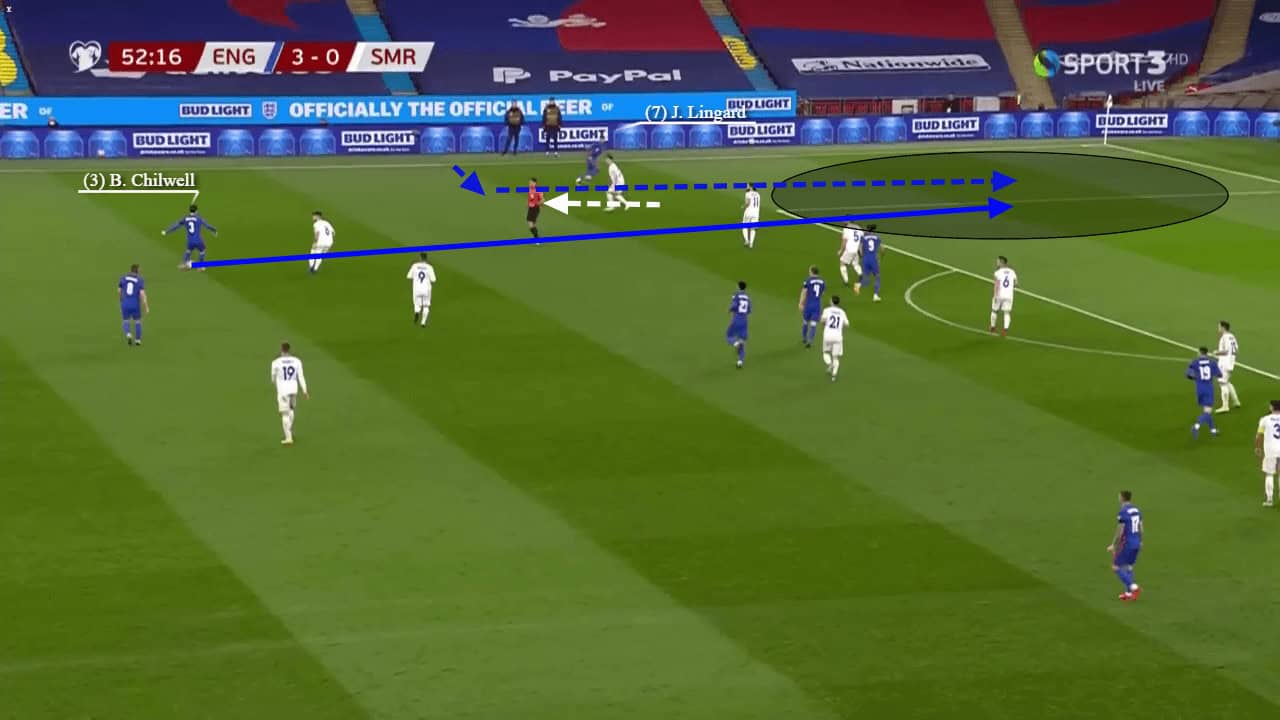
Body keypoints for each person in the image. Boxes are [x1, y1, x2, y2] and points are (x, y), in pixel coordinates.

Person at [1107, 490, 1143, 601]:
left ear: (1122, 498)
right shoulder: (1137, 510)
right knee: (1128, 567)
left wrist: (1113, 545)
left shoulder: (1123, 512)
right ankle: (1128, 594)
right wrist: (1140, 541)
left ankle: (1134, 588)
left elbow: (1120, 530)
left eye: (1119, 496)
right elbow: (1141, 528)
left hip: (1127, 543)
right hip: (1136, 542)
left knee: (1116, 567)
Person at [270, 342, 309, 445]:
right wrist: (305, 390)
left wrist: (276, 383)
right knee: (291, 409)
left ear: (281, 349)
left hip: (283, 391)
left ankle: (288, 438)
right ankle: (289, 430)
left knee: (284, 414)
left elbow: (273, 378)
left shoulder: (276, 362)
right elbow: (301, 376)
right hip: (293, 390)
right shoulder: (297, 361)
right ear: (289, 349)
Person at [162, 204, 217, 271]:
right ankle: (200, 266)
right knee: (202, 251)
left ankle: (183, 263)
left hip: (190, 241)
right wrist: (214, 230)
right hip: (198, 240)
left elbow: (176, 226)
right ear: (196, 211)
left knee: (188, 250)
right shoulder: (199, 218)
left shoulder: (185, 218)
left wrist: (166, 231)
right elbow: (207, 226)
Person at [1186, 347, 1221, 439]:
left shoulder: (1194, 362)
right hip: (1208, 389)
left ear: (1200, 353)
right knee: (1207, 412)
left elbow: (1188, 375)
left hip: (1199, 389)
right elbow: (1219, 374)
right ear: (1207, 353)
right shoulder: (1212, 362)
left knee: (1206, 411)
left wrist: (1196, 378)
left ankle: (1213, 430)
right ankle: (1196, 426)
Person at [1255, 400, 1280, 507]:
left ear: (1272, 408)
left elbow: (1259, 435)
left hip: (1270, 450)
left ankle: (1269, 500)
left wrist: (1257, 447)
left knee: (1269, 474)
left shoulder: (1265, 419)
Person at [117, 263, 149, 346]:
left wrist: (121, 300)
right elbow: (142, 294)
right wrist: (145, 306)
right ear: (137, 271)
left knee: (125, 321)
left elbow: (119, 291)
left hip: (125, 303)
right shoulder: (140, 280)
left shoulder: (123, 278)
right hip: (135, 304)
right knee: (138, 321)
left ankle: (128, 334)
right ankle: (138, 340)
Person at [1213, 320, 1241, 413]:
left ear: (1223, 327)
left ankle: (1225, 406)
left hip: (1224, 363)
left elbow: (1226, 351)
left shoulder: (1224, 337)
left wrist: (1216, 352)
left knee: (1222, 383)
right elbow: (1236, 350)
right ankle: (1236, 401)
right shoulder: (1232, 336)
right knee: (1227, 382)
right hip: (1230, 363)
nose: (1218, 328)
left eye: (1219, 327)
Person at [819, 296, 849, 382]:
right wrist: (840, 326)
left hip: (828, 335)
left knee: (825, 352)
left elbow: (822, 320)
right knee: (835, 357)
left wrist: (824, 324)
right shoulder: (842, 312)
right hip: (838, 336)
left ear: (831, 302)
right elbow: (847, 324)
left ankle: (830, 364)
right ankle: (834, 375)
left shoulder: (827, 310)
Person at [406, 252, 437, 328]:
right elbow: (433, 280)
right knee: (426, 306)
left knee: (417, 304)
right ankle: (423, 322)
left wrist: (415, 276)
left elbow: (408, 276)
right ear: (426, 258)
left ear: (420, 258)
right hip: (426, 289)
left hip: (417, 288)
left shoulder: (415, 265)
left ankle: (417, 312)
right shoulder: (429, 267)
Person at [798, 266, 825, 348]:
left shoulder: (808, 281)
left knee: (805, 322)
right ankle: (810, 341)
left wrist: (801, 303)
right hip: (817, 305)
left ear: (812, 272)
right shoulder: (822, 282)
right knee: (813, 324)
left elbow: (804, 292)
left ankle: (804, 338)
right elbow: (822, 293)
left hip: (808, 304)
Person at [990, 256, 1018, 336]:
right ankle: (1005, 330)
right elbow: (1016, 284)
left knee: (994, 311)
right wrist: (1010, 288)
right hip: (1009, 295)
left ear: (1002, 262)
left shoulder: (997, 272)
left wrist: (995, 295)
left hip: (999, 294)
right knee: (1007, 313)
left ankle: (992, 327)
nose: (997, 263)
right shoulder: (1012, 271)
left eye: (998, 261)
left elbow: (997, 284)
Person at [726, 281, 751, 369]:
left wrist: (729, 310)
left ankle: (735, 343)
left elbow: (734, 305)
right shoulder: (748, 298)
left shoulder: (736, 295)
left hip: (736, 320)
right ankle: (740, 362)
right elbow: (749, 310)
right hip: (745, 321)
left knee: (729, 336)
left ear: (738, 286)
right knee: (742, 342)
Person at [855, 223, 882, 302]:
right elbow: (882, 249)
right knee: (877, 276)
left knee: (867, 278)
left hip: (865, 258)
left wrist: (862, 256)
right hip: (873, 259)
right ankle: (875, 295)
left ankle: (859, 284)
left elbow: (859, 249)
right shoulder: (877, 238)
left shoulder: (863, 238)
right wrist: (880, 258)